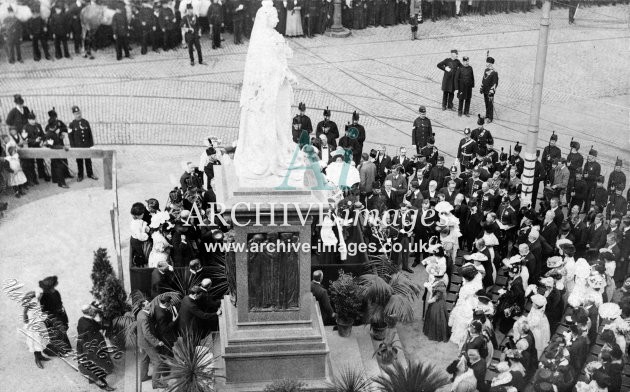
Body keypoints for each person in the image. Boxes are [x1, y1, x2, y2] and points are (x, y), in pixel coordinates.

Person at [76, 305, 115, 390]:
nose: (92, 310)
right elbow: (93, 338)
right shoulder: (88, 325)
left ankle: (92, 379)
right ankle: (104, 385)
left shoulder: (81, 320)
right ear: (88, 311)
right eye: (91, 309)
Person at [136, 300, 168, 389]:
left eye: (148, 302)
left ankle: (143, 377)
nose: (150, 303)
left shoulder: (140, 313)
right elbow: (147, 334)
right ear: (143, 307)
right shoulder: (144, 317)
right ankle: (156, 383)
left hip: (141, 342)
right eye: (147, 304)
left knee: (144, 360)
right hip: (148, 343)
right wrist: (157, 342)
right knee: (158, 362)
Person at [38, 276, 72, 356]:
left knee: (62, 332)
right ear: (50, 286)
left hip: (59, 315)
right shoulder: (44, 296)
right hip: (52, 317)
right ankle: (60, 351)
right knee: (56, 334)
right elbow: (44, 309)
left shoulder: (56, 292)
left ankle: (66, 348)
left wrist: (61, 310)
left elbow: (60, 302)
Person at [21, 291, 52, 369]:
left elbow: (41, 295)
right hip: (33, 327)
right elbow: (25, 315)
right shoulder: (29, 306)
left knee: (40, 342)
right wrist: (27, 321)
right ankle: (37, 359)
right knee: (35, 343)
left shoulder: (36, 301)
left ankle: (40, 356)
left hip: (38, 325)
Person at [68, 106, 98, 182]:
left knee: (88, 160)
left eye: (79, 113)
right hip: (78, 146)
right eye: (76, 114)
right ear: (74, 114)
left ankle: (90, 174)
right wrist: (73, 147)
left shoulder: (85, 122)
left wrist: (91, 145)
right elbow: (70, 137)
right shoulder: (71, 124)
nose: (78, 115)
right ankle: (80, 175)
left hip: (86, 145)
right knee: (79, 161)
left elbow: (89, 134)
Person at [480, 57, 498, 122]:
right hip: (485, 90)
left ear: (490, 64)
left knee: (490, 104)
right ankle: (487, 115)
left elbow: (495, 83)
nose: (486, 64)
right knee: (486, 103)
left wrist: (491, 92)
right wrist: (482, 87)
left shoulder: (494, 72)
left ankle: (490, 118)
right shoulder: (486, 70)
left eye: (487, 63)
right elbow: (484, 79)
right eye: (487, 62)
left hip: (490, 91)